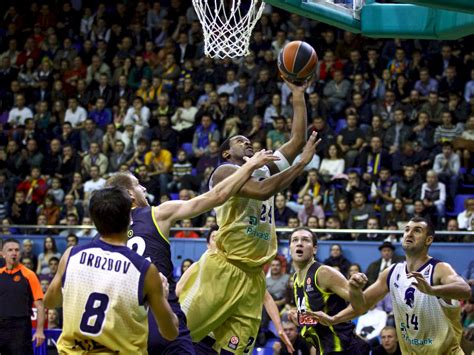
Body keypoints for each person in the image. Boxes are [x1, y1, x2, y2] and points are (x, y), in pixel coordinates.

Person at [179, 80, 317, 353]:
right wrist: (301, 163)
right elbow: (263, 191)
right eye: (240, 141)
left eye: (249, 139)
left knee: (235, 350)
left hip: (254, 277)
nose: (247, 141)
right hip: (222, 269)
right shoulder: (225, 171)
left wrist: (298, 94)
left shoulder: (265, 168)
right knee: (175, 337)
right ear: (227, 152)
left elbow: (297, 140)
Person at [105, 149, 281, 353]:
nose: (143, 187)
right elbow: (217, 195)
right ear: (129, 194)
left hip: (121, 321)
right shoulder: (157, 214)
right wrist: (251, 165)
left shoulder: (104, 235)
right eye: (137, 185)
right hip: (158, 313)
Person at [44, 187, 179, 353]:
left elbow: (50, 302)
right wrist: (163, 298)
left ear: (93, 219)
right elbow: (170, 333)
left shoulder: (71, 255)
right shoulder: (144, 269)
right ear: (129, 219)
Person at [311, 217, 471, 354]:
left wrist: (432, 290)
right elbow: (362, 304)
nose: (409, 233)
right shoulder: (392, 272)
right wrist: (334, 318)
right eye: (407, 229)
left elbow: (465, 290)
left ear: (428, 240)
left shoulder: (439, 269)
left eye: (417, 231)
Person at [287, 227, 370, 354]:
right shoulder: (295, 279)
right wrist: (300, 318)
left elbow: (361, 306)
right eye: (295, 240)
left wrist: (356, 289)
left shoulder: (323, 272)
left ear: (314, 249)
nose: (299, 243)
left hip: (343, 347)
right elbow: (319, 317)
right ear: (289, 249)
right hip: (325, 348)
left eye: (305, 240)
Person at [0, 238, 45, 353]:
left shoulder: (29, 275)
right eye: (10, 250)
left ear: (20, 253)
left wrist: (40, 331)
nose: (14, 253)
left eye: (16, 250)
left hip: (20, 327)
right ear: (3, 254)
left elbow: (40, 306)